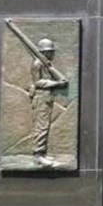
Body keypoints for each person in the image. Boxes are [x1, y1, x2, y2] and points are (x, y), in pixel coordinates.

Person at [28, 37, 67, 168]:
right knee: (41, 127)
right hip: (41, 98)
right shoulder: (37, 64)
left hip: (46, 98)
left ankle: (42, 153)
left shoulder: (46, 64)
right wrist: (57, 83)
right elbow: (38, 82)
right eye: (50, 51)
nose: (53, 53)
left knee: (45, 126)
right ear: (44, 52)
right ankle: (38, 156)